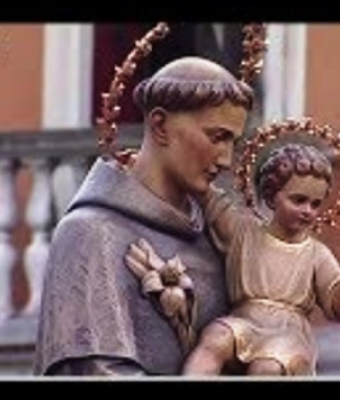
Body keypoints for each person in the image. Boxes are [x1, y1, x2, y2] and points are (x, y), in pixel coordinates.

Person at [32, 55, 255, 376]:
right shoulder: (91, 234)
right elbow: (98, 372)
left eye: (233, 141)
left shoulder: (214, 237)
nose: (226, 160)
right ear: (160, 125)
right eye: (217, 137)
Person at [126, 141, 340, 376]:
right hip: (243, 322)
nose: (308, 210)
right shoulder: (242, 231)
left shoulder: (316, 253)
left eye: (316, 204)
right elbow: (206, 194)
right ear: (271, 197)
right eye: (298, 200)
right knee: (215, 336)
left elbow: (338, 308)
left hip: (288, 335)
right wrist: (149, 162)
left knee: (266, 368)